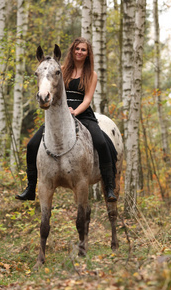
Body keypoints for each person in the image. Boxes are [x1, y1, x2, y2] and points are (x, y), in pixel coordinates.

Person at [15, 37, 117, 202]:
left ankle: (110, 186)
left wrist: (75, 112)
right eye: (77, 49)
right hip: (60, 115)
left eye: (83, 50)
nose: (79, 52)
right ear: (72, 50)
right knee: (32, 144)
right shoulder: (60, 70)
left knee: (102, 143)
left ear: (87, 53)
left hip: (82, 113)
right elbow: (51, 89)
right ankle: (31, 187)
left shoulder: (91, 74)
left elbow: (87, 100)